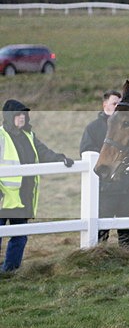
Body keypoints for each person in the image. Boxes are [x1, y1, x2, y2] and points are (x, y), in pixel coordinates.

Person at [0, 99, 74, 272]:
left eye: (24, 115)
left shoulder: (29, 135)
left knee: (20, 236)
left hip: (23, 196)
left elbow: (43, 152)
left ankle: (10, 270)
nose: (22, 118)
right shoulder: (1, 136)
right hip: (4, 197)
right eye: (18, 115)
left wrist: (60, 158)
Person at [79, 90, 129, 250]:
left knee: (128, 229)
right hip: (105, 189)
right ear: (105, 105)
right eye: (114, 103)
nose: (117, 107)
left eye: (119, 104)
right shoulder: (93, 128)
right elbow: (86, 151)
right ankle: (98, 257)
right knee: (101, 228)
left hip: (128, 188)